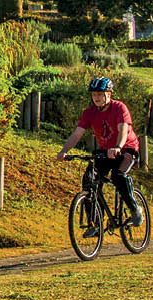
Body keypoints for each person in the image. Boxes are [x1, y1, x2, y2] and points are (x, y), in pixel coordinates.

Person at [55, 76, 143, 232]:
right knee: (89, 180)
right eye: (94, 94)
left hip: (127, 148)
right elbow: (77, 134)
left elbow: (123, 130)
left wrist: (118, 147)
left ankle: (135, 209)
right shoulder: (89, 113)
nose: (96, 97)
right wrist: (64, 151)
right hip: (105, 151)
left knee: (118, 175)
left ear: (109, 94)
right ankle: (95, 223)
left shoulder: (119, 108)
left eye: (100, 94)